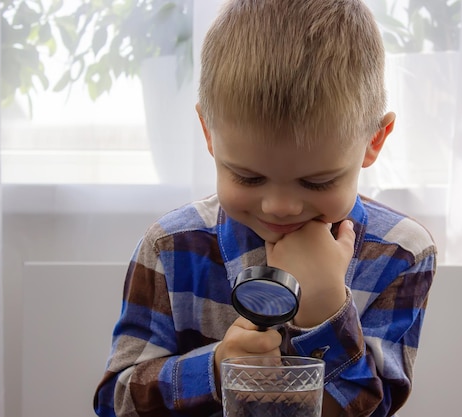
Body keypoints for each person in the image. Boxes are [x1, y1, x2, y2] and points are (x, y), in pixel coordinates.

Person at [93, 0, 436, 416]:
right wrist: (216, 369)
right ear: (208, 133)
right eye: (248, 177)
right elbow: (116, 402)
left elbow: (373, 407)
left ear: (373, 141)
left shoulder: (399, 252)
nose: (280, 207)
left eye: (317, 181)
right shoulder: (170, 247)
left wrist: (326, 310)